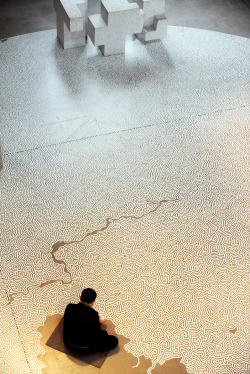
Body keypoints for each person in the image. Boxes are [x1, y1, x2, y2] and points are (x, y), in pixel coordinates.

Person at [63, 288, 118, 353]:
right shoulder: (94, 315)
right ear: (93, 301)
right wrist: (99, 322)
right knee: (113, 340)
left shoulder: (69, 307)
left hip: (67, 342)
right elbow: (96, 334)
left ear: (80, 297)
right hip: (83, 347)